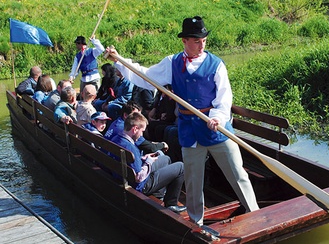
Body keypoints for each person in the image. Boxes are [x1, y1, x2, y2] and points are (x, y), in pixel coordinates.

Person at [106, 16, 259, 225]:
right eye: (196, 40)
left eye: (204, 39)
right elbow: (145, 77)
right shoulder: (172, 63)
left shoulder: (216, 65)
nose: (202, 43)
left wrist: (217, 118)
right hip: (189, 130)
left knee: (237, 174)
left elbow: (224, 99)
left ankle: (256, 214)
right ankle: (197, 224)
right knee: (194, 181)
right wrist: (120, 60)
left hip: (216, 129)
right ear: (184, 41)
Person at [110, 112, 186, 213]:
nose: (142, 134)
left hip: (124, 176)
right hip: (141, 185)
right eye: (142, 131)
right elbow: (139, 178)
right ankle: (171, 204)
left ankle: (158, 195)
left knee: (165, 159)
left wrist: (143, 158)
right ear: (135, 129)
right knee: (181, 167)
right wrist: (149, 162)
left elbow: (130, 163)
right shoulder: (130, 148)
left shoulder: (117, 139)